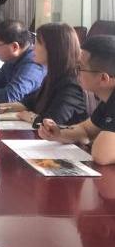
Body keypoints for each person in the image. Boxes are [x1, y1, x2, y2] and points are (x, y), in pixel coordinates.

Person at [39, 35, 115, 165]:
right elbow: (86, 130)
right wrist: (58, 134)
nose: (75, 72)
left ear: (103, 78)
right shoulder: (108, 99)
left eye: (79, 67)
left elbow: (102, 154)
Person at [0, 23, 86, 126]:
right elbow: (27, 103)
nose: (33, 48)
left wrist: (31, 117)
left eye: (38, 43)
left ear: (53, 48)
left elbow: (52, 122)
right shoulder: (51, 76)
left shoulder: (71, 84)